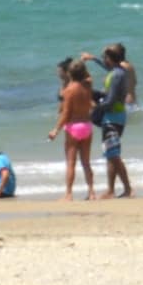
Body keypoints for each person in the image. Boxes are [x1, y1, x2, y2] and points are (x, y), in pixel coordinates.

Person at [48, 59, 95, 201]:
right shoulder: (87, 86)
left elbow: (66, 113)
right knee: (86, 162)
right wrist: (83, 64)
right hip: (87, 126)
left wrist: (55, 130)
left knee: (71, 162)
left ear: (69, 73)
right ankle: (92, 192)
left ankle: (68, 194)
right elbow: (88, 76)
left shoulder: (69, 90)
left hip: (73, 128)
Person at [90, 45, 132, 199]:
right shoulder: (118, 72)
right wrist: (93, 59)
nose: (103, 60)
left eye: (105, 57)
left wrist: (94, 110)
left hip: (113, 117)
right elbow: (109, 95)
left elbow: (111, 100)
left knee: (114, 155)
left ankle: (128, 189)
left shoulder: (117, 75)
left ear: (111, 59)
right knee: (110, 154)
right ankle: (111, 190)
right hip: (114, 116)